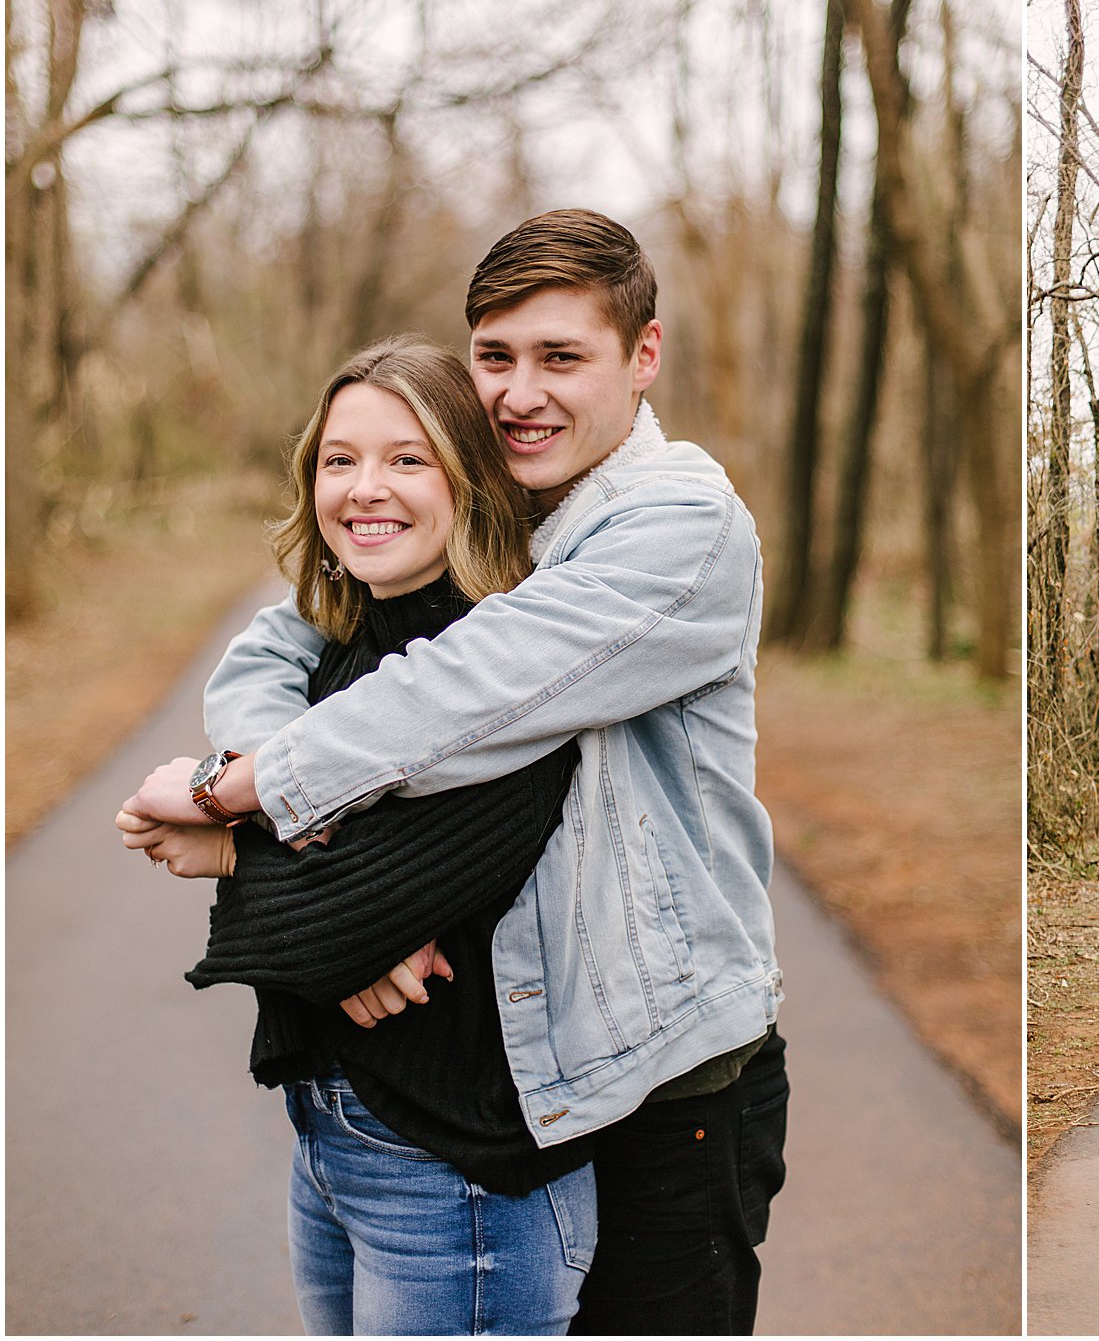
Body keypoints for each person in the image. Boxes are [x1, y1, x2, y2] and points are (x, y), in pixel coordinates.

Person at [119, 209, 788, 1335]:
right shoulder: (485, 496)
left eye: (561, 357)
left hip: (665, 1080)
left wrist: (234, 808)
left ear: (643, 357)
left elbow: (467, 694)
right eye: (495, 356)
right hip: (521, 1080)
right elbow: (283, 645)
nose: (520, 392)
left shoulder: (677, 522)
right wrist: (297, 842)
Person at [119, 338, 596, 1333]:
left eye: (406, 459)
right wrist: (304, 884)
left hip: (461, 1172)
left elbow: (335, 919)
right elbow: (340, 903)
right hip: (332, 1141)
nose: (364, 488)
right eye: (340, 458)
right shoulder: (339, 649)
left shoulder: (497, 668)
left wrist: (225, 843)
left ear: (467, 479)